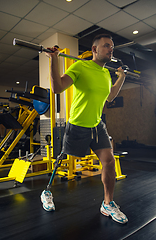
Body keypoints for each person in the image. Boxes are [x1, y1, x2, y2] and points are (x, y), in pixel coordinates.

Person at [41, 34, 128, 224]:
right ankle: (46, 191)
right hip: (78, 124)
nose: (110, 49)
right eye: (106, 46)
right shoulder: (80, 66)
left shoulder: (106, 74)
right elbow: (57, 88)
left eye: (112, 47)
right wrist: (53, 60)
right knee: (63, 159)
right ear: (95, 49)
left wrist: (121, 77)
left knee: (109, 162)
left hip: (97, 125)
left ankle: (108, 203)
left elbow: (111, 96)